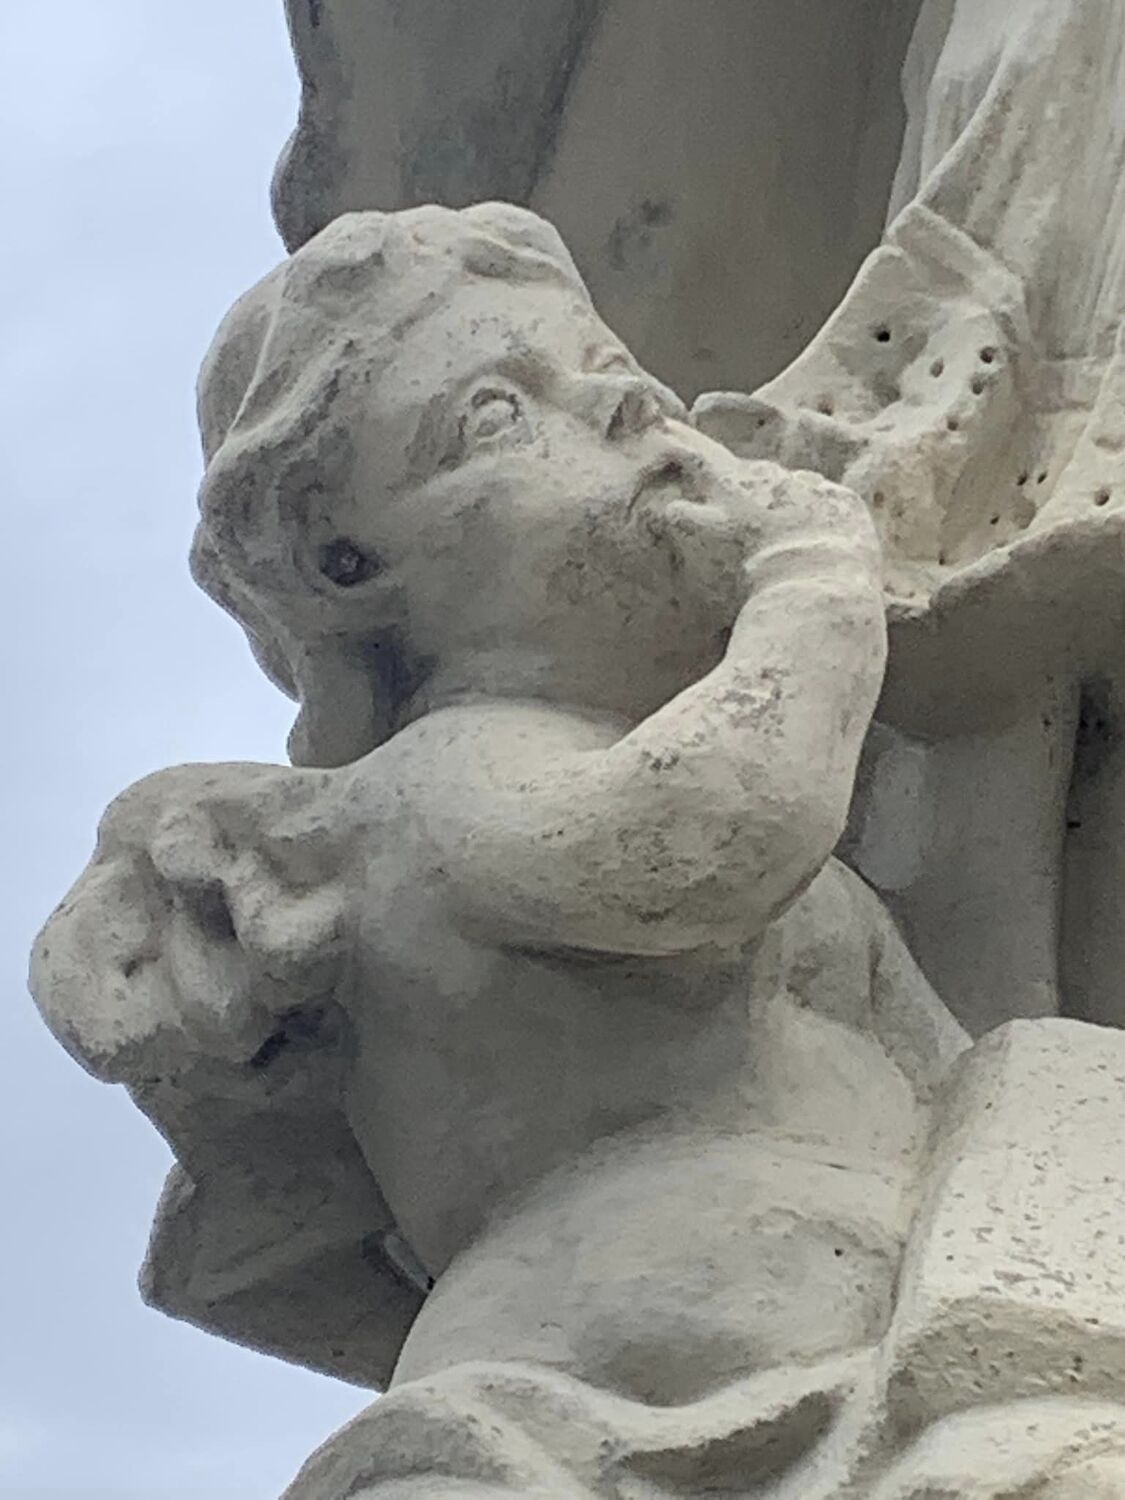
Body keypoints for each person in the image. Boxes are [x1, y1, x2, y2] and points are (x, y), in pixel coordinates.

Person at [35, 205, 1121, 1496]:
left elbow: (949, 1078)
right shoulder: (437, 780)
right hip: (580, 1393)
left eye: (606, 370)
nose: (615, 407)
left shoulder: (819, 887)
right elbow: (700, 840)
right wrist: (810, 587)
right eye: (498, 414)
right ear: (351, 564)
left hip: (872, 1366)